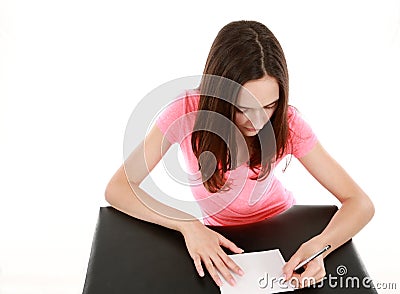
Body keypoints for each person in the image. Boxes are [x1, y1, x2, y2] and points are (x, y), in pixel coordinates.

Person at [105, 20, 374, 288]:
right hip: (217, 233)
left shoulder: (288, 123)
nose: (258, 121)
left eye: (269, 106)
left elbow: (359, 202)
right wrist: (188, 224)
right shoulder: (186, 112)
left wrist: (319, 247)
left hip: (280, 226)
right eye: (244, 108)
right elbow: (118, 188)